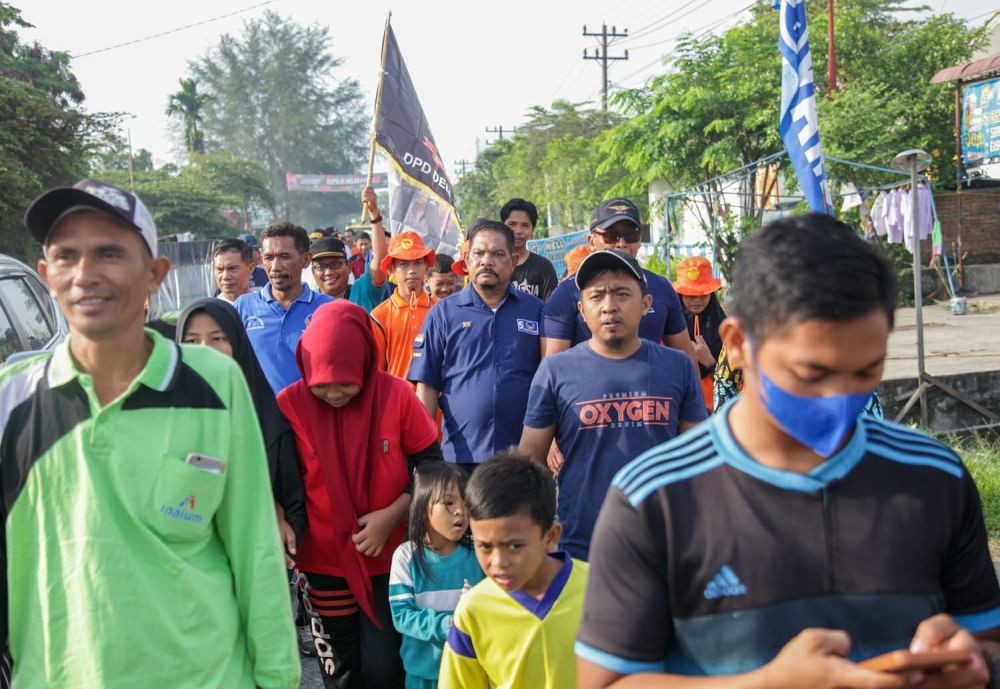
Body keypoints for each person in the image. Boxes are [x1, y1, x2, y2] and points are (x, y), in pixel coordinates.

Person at [576, 213, 1000, 688]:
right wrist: (770, 683)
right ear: (737, 346)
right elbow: (607, 683)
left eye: (865, 372)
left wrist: (973, 662)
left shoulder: (934, 477)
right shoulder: (653, 499)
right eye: (811, 374)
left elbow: (986, 639)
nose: (839, 400)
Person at [5, 179, 299, 688]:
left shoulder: (213, 381)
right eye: (66, 256)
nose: (85, 274)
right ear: (47, 275)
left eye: (109, 253)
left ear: (155, 275)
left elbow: (255, 548)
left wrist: (276, 678)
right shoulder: (11, 401)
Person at [277, 300, 443, 689]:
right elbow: (275, 480)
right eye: (323, 385)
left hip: (390, 563)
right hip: (322, 565)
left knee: (386, 670)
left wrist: (394, 513)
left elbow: (432, 465)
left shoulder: (397, 395)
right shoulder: (289, 405)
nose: (334, 394)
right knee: (341, 672)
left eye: (346, 383)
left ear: (366, 364)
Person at [520, 249, 706, 561]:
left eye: (622, 294)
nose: (609, 306)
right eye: (597, 296)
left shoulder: (678, 367)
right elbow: (529, 464)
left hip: (663, 543)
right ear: (581, 309)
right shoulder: (555, 371)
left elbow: (697, 458)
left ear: (646, 305)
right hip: (581, 546)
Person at [439, 453, 588, 688]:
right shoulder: (472, 611)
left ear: (550, 536)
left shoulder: (600, 592)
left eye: (514, 546)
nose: (498, 562)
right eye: (485, 546)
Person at [409, 221, 543, 472]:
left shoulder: (536, 311)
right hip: (460, 456)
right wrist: (423, 457)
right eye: (479, 253)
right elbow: (426, 386)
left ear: (513, 261)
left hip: (522, 456)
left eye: (497, 254)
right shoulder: (443, 314)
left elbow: (549, 379)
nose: (486, 261)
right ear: (467, 259)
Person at [177, 298, 306, 557]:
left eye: (217, 339)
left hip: (255, 556)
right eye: (192, 341)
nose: (205, 350)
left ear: (238, 343)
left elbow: (293, 501)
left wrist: (278, 522)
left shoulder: (268, 418)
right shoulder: (167, 418)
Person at [541, 198, 697, 370]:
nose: (621, 243)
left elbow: (686, 360)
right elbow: (553, 369)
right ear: (591, 240)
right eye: (611, 235)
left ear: (646, 303)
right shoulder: (566, 293)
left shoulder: (661, 288)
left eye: (631, 235)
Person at [389, 462, 485, 689]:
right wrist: (447, 625)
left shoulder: (480, 551)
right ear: (423, 508)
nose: (461, 510)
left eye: (465, 502)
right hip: (423, 674)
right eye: (449, 503)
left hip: (471, 671)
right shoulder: (406, 556)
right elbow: (402, 615)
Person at [234, 221, 333, 393]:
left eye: (284, 257)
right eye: (269, 258)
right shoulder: (243, 307)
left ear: (306, 260)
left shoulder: (329, 309)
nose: (275, 267)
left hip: (310, 417)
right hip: (259, 418)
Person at [370, 232, 437, 379]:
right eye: (404, 264)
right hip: (395, 399)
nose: (412, 270)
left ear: (426, 266)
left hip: (435, 400)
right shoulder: (379, 316)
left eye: (418, 263)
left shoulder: (440, 310)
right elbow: (376, 371)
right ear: (392, 269)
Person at [674, 256, 726, 412]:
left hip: (717, 411)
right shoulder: (667, 329)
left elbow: (740, 383)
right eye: (690, 295)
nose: (696, 300)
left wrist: (710, 362)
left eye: (702, 295)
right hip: (679, 408)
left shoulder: (727, 330)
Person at [501, 198, 558, 300]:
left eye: (525, 225)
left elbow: (552, 309)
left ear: (533, 229)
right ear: (502, 225)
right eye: (512, 224)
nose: (518, 231)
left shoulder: (544, 267)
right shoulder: (494, 265)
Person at [349, 188, 391, 312]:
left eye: (335, 264)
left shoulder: (362, 288)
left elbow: (380, 260)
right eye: (321, 266)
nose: (329, 272)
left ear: (347, 266)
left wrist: (374, 213)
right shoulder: (310, 301)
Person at [213, 237, 256, 303]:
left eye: (232, 269)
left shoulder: (265, 306)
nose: (225, 277)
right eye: (220, 269)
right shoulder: (209, 311)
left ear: (251, 268)